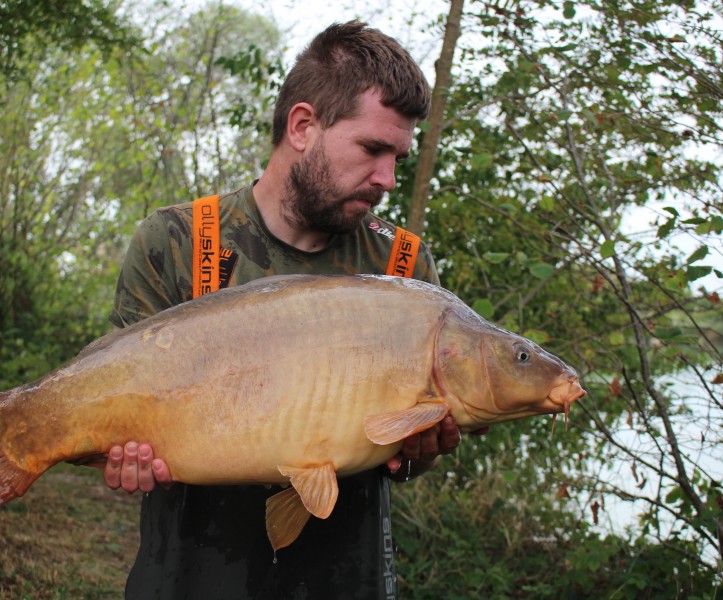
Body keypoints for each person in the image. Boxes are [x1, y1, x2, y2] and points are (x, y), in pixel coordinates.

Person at [102, 21, 470, 600]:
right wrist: (120, 451)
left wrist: (420, 451)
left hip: (345, 580)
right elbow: (108, 407)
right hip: (188, 580)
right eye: (373, 149)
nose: (388, 180)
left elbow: (405, 458)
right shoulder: (175, 241)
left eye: (398, 157)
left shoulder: (404, 267)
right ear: (303, 126)